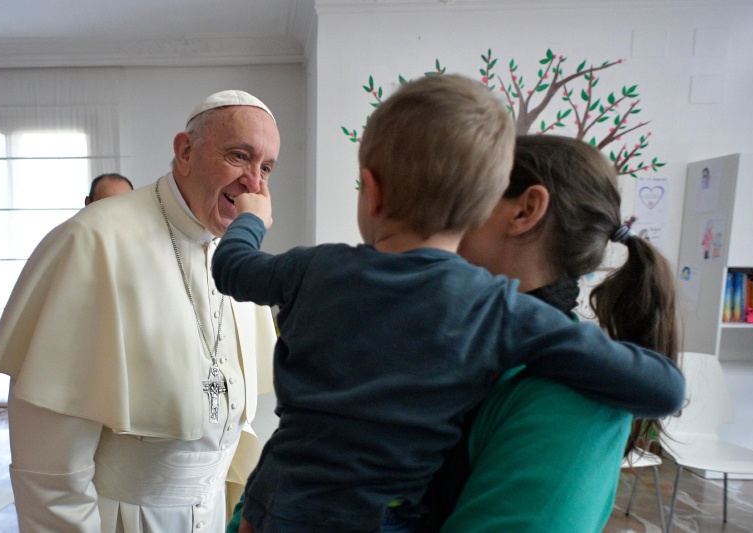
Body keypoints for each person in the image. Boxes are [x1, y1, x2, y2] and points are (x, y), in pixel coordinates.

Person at [213, 75, 684, 533]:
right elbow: (664, 388)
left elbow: (232, 268)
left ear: (371, 189)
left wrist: (251, 219)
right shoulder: (500, 313)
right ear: (479, 207)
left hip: (275, 500)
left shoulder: (313, 268)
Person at [0, 90, 280, 533]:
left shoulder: (237, 255)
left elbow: (232, 429)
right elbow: (50, 469)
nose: (255, 184)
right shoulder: (93, 241)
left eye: (267, 168)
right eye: (239, 156)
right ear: (185, 152)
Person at [421, 134, 681, 532]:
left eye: (463, 198)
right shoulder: (478, 345)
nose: (438, 220)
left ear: (525, 210)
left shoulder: (572, 394)